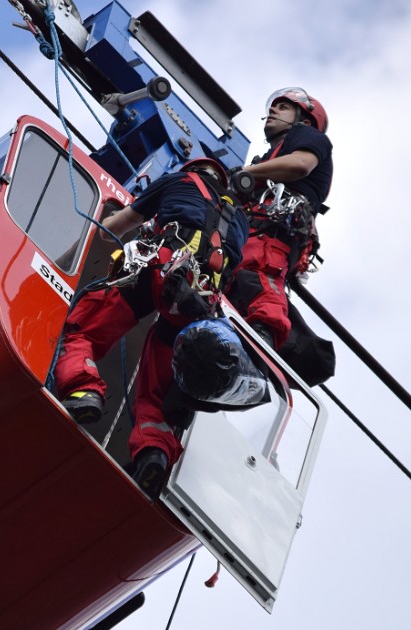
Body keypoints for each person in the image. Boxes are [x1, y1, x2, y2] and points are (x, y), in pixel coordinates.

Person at [53, 157, 249, 498]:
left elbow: (112, 227)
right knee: (158, 392)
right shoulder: (241, 221)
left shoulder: (179, 181)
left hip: (159, 268)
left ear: (194, 171)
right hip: (198, 302)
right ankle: (153, 455)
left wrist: (105, 221)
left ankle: (84, 391)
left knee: (84, 329)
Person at [226, 87, 333, 352]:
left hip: (273, 235)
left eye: (283, 107)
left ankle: (264, 334)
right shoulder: (266, 159)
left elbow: (300, 165)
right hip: (248, 234)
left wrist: (246, 173)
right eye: (273, 107)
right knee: (234, 283)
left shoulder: (308, 137)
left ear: (305, 120)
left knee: (257, 273)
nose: (273, 110)